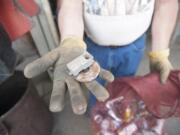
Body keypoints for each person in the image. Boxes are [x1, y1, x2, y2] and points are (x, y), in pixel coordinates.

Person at [24, 0, 179, 115]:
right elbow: (71, 4)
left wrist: (160, 52)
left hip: (134, 47)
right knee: (95, 84)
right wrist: (71, 40)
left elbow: (166, 3)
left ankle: (118, 110)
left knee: (124, 84)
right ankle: (96, 113)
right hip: (93, 46)